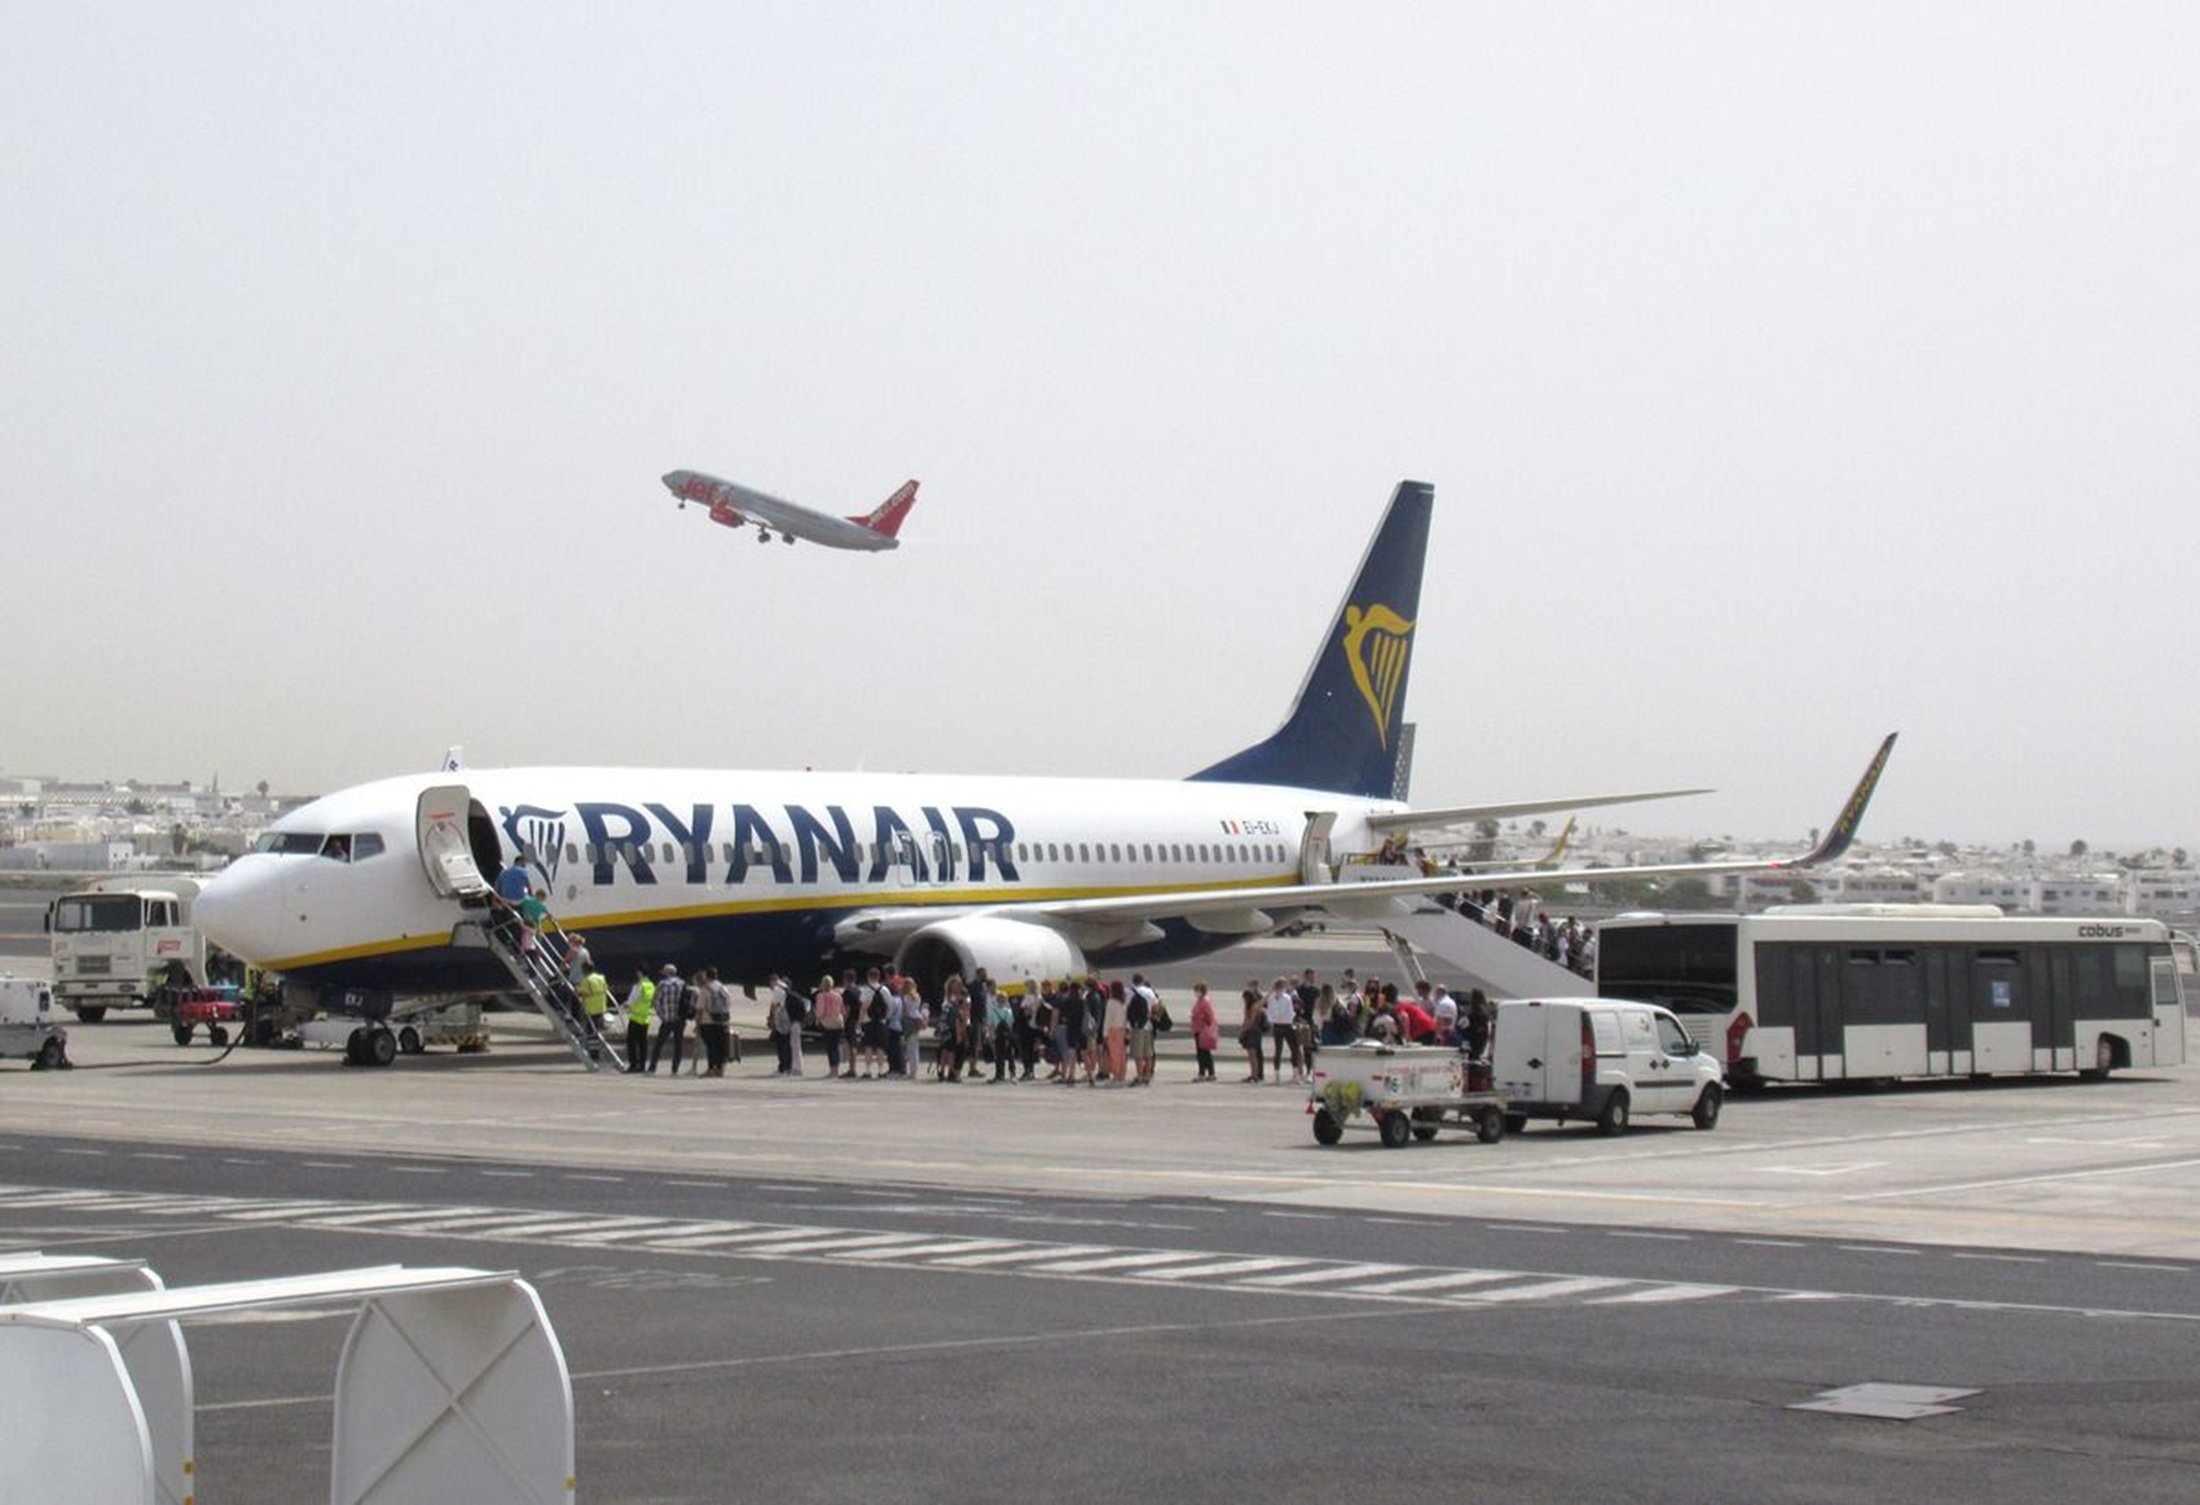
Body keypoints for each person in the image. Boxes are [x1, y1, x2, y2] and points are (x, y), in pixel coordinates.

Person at [648, 964, 687, 1075]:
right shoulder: (682, 983)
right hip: (680, 1019)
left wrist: (662, 1015)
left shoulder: (662, 984)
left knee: (659, 1043)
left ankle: (652, 1067)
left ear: (667, 973)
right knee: (678, 1044)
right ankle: (675, 1069)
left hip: (667, 1019)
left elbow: (655, 1001)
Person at [1265, 977, 1299, 1083]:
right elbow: (1269, 1011)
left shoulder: (1287, 998)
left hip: (1287, 1024)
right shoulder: (1271, 998)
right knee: (1278, 1050)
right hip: (1278, 1025)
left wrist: (1284, 1018)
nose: (1281, 988)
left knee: (1294, 1049)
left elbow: (1290, 1012)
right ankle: (1277, 1074)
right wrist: (1272, 1021)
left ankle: (1294, 1073)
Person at [622, 968, 655, 1073]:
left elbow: (632, 1000)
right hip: (645, 1018)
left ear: (640, 973)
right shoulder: (651, 986)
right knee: (642, 1043)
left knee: (631, 1042)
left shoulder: (639, 986)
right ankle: (642, 1065)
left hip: (636, 1017)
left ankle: (633, 1065)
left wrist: (625, 1005)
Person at [812, 973, 844, 1078]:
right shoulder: (838, 995)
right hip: (838, 1022)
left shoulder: (820, 996)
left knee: (830, 1048)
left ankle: (832, 1070)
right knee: (836, 1046)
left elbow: (820, 1011)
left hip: (828, 1023)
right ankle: (837, 1070)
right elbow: (841, 1010)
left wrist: (817, 1018)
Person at [1188, 981, 1218, 1081]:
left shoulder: (1205, 1002)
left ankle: (1206, 1073)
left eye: (1197, 990)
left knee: (1204, 1052)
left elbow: (1210, 1017)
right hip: (1198, 1030)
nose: (1195, 992)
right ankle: (1205, 1072)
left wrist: (1199, 1019)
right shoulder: (1200, 1001)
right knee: (1201, 1052)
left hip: (1202, 1031)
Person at [1239, 983, 1266, 1083]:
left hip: (1252, 1032)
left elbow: (1249, 1021)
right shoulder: (1253, 1007)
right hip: (1254, 1031)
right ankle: (1255, 1074)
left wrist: (1243, 1030)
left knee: (1253, 1055)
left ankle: (1255, 1075)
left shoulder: (1253, 1008)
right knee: (1253, 1055)